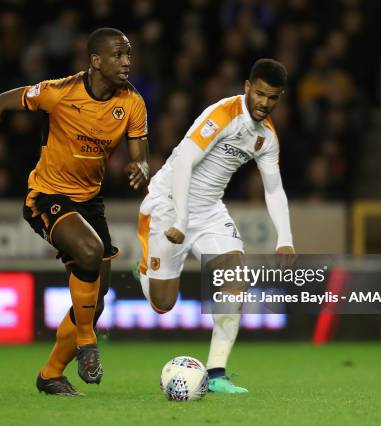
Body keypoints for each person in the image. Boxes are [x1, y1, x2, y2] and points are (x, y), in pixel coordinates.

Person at [0, 28, 149, 396]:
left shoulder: (133, 103)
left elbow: (141, 156)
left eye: (129, 55)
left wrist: (141, 169)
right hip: (47, 195)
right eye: (119, 55)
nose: (127, 62)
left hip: (90, 202)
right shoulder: (59, 93)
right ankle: (88, 343)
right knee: (91, 253)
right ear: (96, 61)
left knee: (99, 293)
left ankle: (51, 374)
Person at [135, 59, 294, 393]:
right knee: (162, 304)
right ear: (248, 88)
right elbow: (182, 164)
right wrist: (180, 219)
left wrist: (285, 238)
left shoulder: (266, 137)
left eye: (273, 97)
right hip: (168, 203)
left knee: (233, 276)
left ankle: (217, 373)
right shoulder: (222, 114)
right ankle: (145, 268)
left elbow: (274, 188)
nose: (264, 103)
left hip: (208, 210)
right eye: (260, 93)